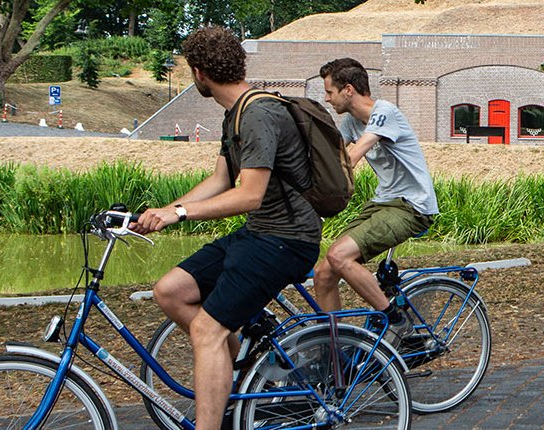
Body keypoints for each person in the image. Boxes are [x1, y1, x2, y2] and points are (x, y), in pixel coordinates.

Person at [132, 26, 320, 430]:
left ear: (199, 73)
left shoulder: (258, 114)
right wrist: (162, 212)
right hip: (260, 234)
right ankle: (236, 378)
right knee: (171, 291)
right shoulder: (235, 115)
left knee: (206, 328)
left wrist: (181, 215)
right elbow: (220, 181)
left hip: (288, 240)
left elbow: (249, 195)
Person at [311, 58, 439, 336]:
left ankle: (396, 321)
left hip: (412, 206)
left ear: (348, 90)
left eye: (329, 92)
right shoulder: (350, 123)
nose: (326, 98)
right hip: (383, 203)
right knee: (323, 275)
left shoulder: (384, 112)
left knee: (339, 255)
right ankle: (336, 353)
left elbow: (353, 156)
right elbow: (331, 158)